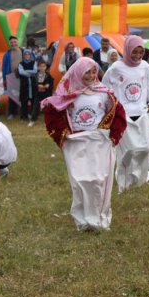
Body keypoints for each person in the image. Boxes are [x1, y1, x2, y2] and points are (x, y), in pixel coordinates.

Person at [42, 58, 126, 231]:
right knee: (80, 181)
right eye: (86, 71)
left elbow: (119, 114)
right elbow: (52, 114)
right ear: (77, 72)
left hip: (99, 141)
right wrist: (62, 135)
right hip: (76, 142)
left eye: (93, 71)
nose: (90, 75)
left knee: (99, 180)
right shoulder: (68, 92)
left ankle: (100, 220)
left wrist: (113, 136)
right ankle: (83, 221)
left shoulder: (104, 93)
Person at [102, 36, 149, 192]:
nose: (138, 56)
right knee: (128, 151)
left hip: (142, 112)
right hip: (123, 114)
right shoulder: (116, 68)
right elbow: (105, 88)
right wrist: (112, 108)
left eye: (141, 52)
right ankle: (124, 184)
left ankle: (140, 178)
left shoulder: (145, 66)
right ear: (127, 50)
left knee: (145, 148)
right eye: (134, 52)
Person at [1, 37, 23, 119]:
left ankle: (23, 112)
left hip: (22, 76)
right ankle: (12, 113)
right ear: (9, 43)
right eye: (11, 42)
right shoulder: (7, 54)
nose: (13, 43)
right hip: (11, 77)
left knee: (23, 95)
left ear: (18, 42)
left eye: (15, 42)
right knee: (12, 95)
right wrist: (4, 78)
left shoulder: (23, 51)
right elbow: (4, 67)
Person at [31, 60, 54, 127]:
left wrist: (48, 86)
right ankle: (33, 120)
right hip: (38, 94)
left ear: (46, 67)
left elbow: (51, 84)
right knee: (36, 107)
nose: (42, 68)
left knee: (48, 108)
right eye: (40, 66)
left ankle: (48, 121)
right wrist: (37, 86)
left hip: (46, 94)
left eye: (43, 66)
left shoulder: (48, 76)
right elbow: (33, 85)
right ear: (38, 67)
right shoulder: (35, 76)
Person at [17, 49, 38, 122]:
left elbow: (35, 71)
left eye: (28, 54)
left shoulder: (34, 62)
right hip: (24, 84)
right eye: (25, 54)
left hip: (32, 84)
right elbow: (21, 72)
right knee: (24, 100)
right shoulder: (20, 63)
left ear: (30, 55)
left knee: (33, 100)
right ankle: (24, 116)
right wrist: (30, 73)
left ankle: (33, 115)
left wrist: (26, 72)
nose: (27, 56)